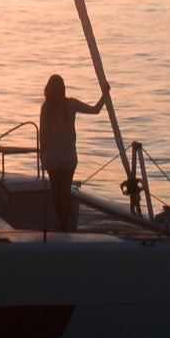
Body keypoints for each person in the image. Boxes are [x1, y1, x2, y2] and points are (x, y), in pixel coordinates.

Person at [37, 74, 105, 232]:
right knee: (65, 190)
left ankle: (62, 223)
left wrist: (42, 154)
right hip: (68, 154)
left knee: (57, 191)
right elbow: (95, 110)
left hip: (53, 154)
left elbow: (44, 134)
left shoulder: (46, 108)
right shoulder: (71, 104)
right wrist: (105, 95)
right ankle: (65, 224)